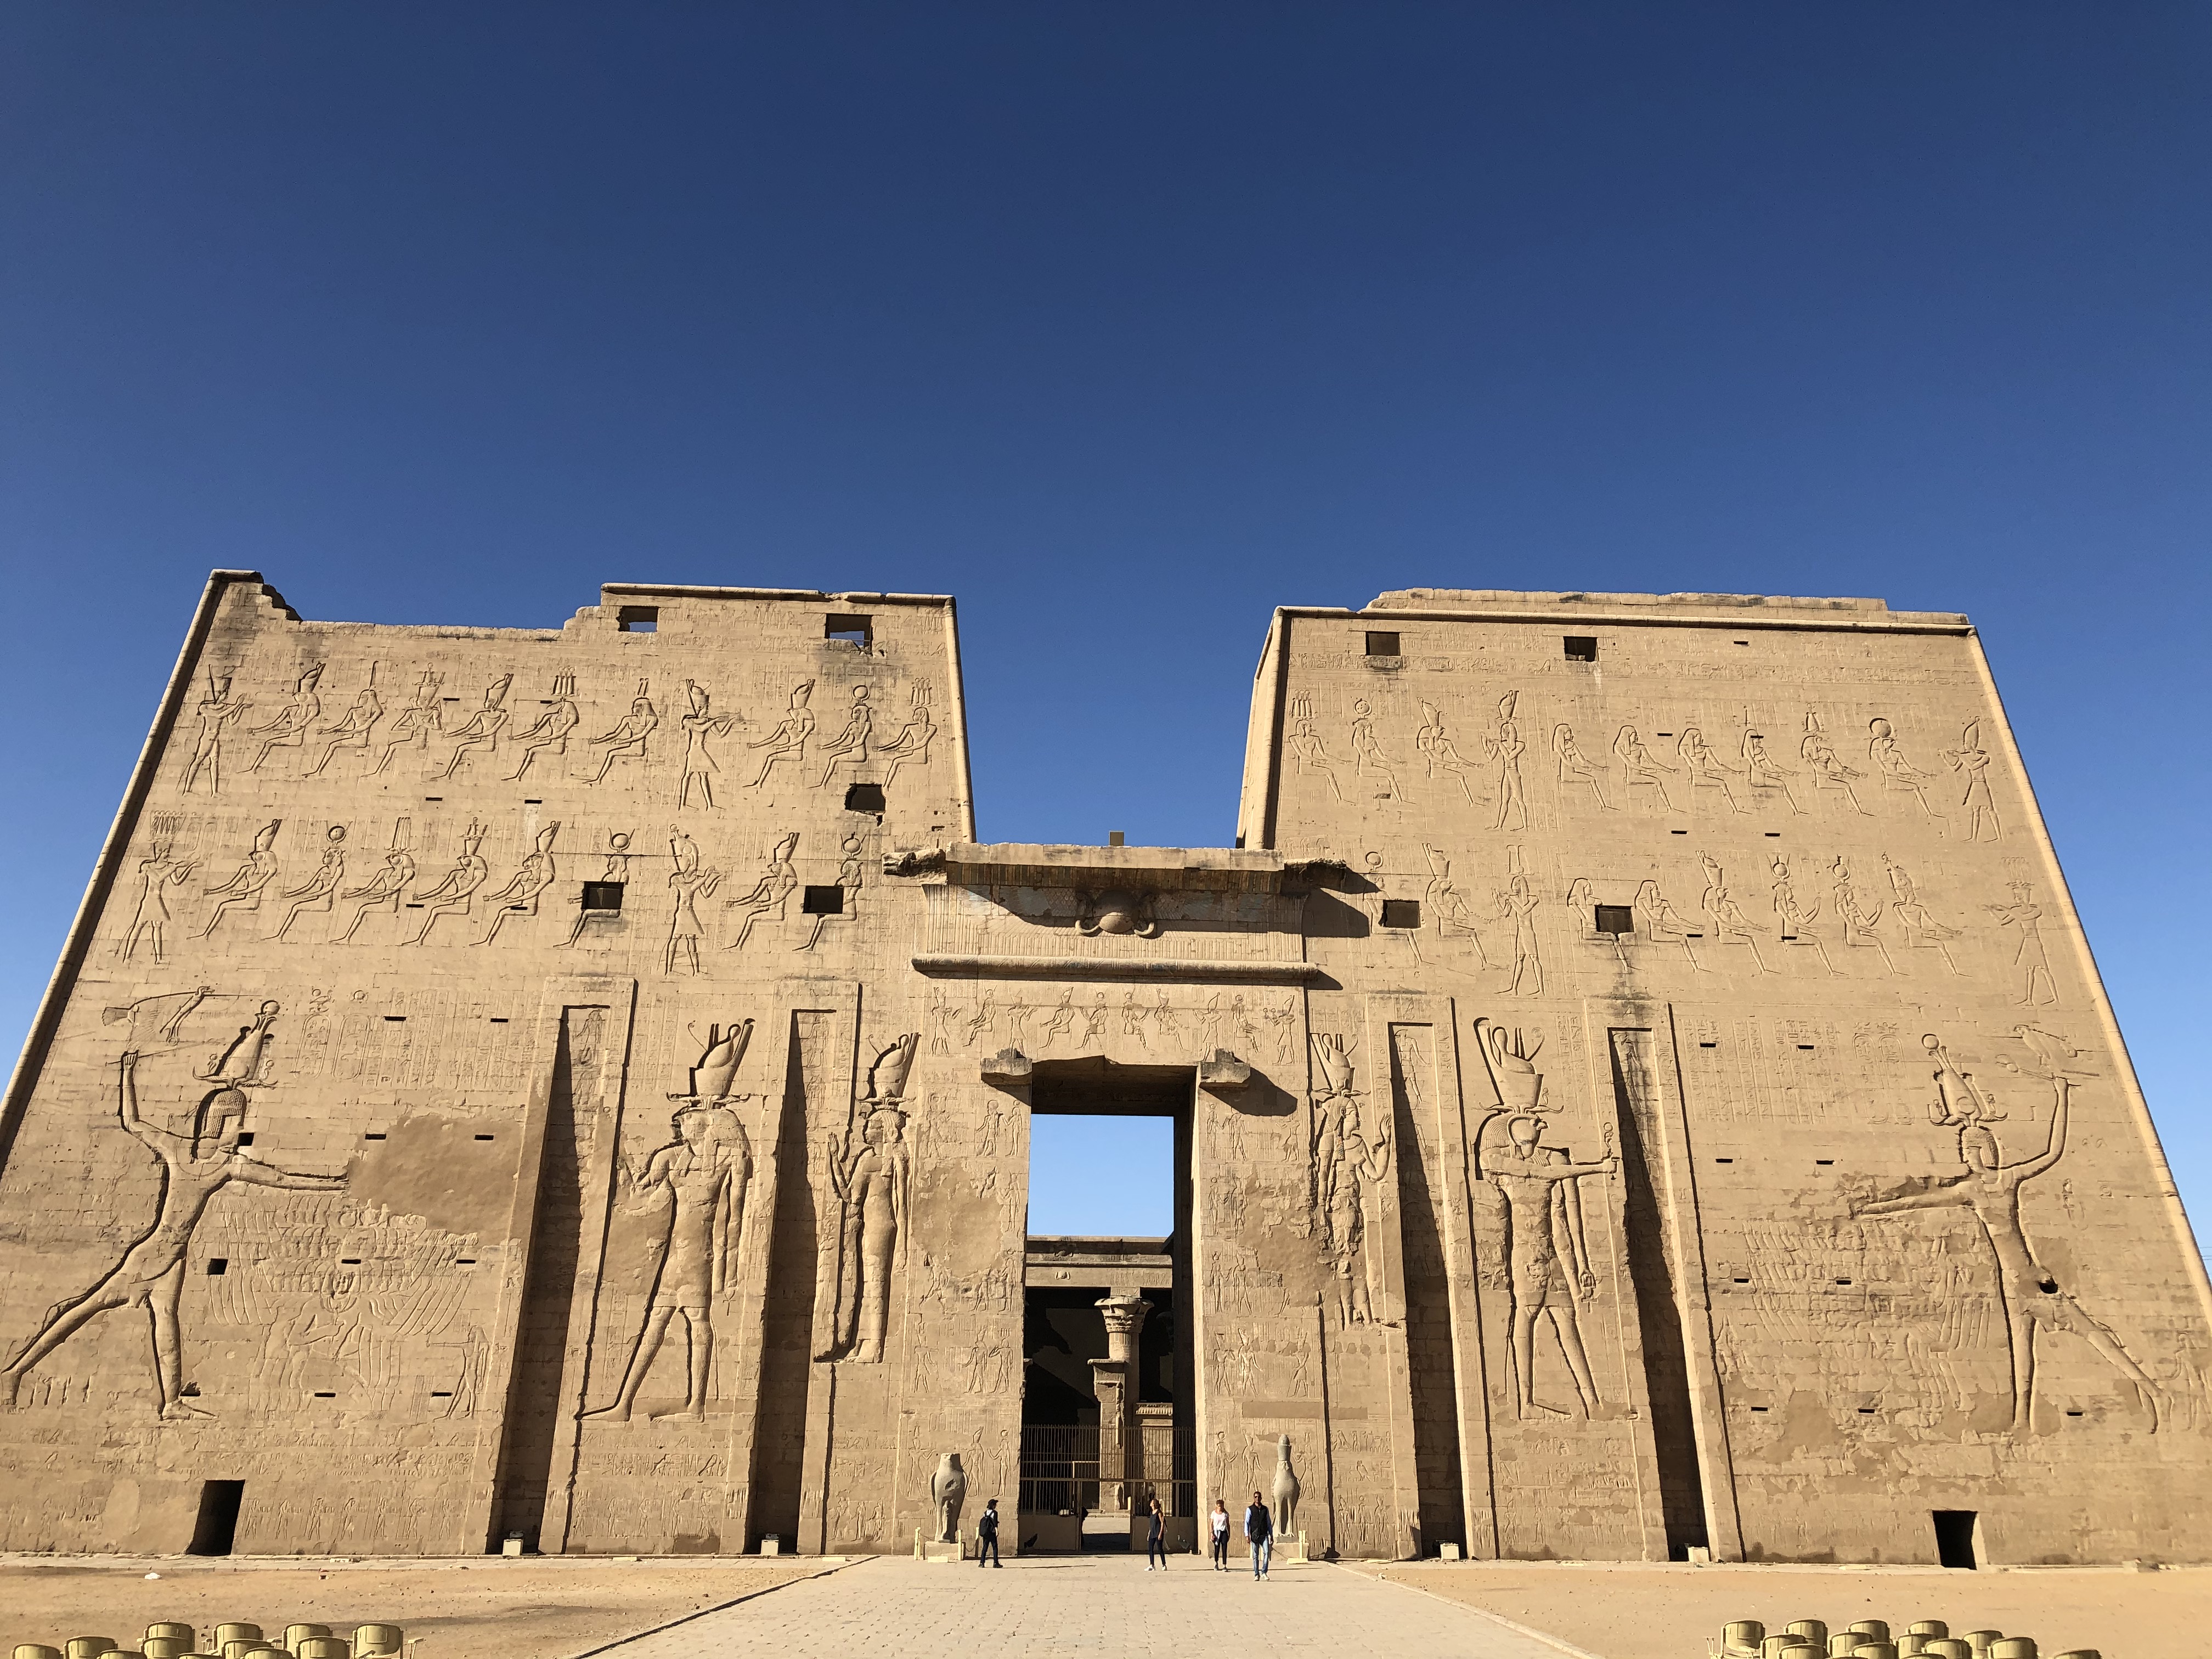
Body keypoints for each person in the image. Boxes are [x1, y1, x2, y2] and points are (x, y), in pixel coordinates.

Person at [1244, 1491, 1273, 1579]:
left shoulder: (1265, 1509)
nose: (1257, 1498)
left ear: (1261, 1498)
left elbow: (1268, 1522)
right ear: (1254, 1498)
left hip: (1264, 1534)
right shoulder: (1250, 1509)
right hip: (1254, 1535)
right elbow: (1247, 1522)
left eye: (1259, 1497)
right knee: (1255, 1556)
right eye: (1256, 1497)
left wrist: (1271, 1535)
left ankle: (1264, 1571)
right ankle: (1257, 1574)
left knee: (1267, 1553)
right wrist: (1247, 1535)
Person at [976, 1498, 1001, 1568]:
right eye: (995, 1505)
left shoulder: (985, 1513)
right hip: (992, 1532)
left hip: (986, 1533)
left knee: (985, 1548)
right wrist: (997, 1531)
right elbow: (995, 1523)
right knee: (995, 1548)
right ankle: (996, 1563)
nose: (996, 1506)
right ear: (993, 1505)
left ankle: (982, 1563)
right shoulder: (995, 1513)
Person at [1145, 1494, 1167, 1570]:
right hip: (1152, 1533)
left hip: (1158, 1532)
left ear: (1154, 1503)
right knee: (1150, 1548)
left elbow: (1162, 1523)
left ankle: (1164, 1565)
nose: (1150, 1503)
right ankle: (1152, 1565)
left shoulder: (1159, 1512)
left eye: (1151, 1502)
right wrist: (1149, 1533)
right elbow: (1151, 1524)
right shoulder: (1152, 1513)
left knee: (1160, 1549)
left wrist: (1161, 1533)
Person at [1210, 1499, 1231, 1570]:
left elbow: (1228, 1524)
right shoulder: (1214, 1513)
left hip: (1224, 1532)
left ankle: (1224, 1565)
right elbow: (1211, 1524)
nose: (1220, 1508)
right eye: (1219, 1506)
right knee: (1217, 1548)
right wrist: (1211, 1533)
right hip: (1216, 1532)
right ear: (1216, 1506)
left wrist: (1229, 1534)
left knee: (1224, 1548)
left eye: (1221, 1506)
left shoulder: (1226, 1514)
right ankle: (1216, 1563)